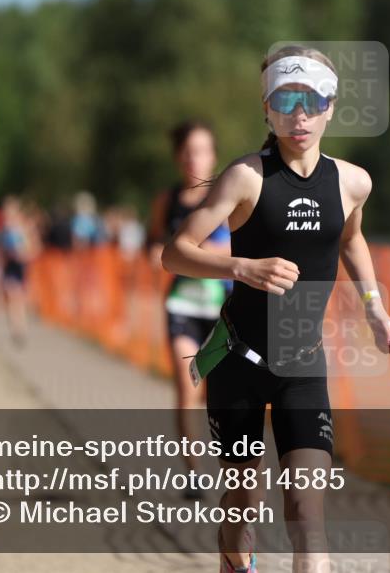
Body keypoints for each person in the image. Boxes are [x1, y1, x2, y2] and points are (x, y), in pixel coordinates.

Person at [163, 45, 390, 573]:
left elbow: (352, 241)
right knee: (244, 508)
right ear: (267, 107)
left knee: (306, 511)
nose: (300, 113)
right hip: (239, 364)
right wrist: (242, 268)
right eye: (286, 99)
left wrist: (374, 307)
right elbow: (175, 252)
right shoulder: (246, 177)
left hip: (303, 364)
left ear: (331, 107)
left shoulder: (352, 182)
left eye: (312, 101)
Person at [147, 121, 232, 500]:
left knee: (220, 395)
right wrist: (154, 254)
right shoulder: (166, 201)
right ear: (178, 157)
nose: (194, 158)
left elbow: (239, 250)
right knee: (187, 388)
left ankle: (230, 467)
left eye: (202, 150)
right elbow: (153, 243)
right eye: (188, 151)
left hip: (222, 311)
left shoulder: (227, 198)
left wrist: (193, 256)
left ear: (214, 155)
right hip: (182, 305)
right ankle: (194, 474)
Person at [0, 196, 40, 347]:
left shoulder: (23, 227)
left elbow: (33, 248)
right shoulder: (6, 228)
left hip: (20, 267)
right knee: (11, 298)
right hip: (10, 266)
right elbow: (2, 249)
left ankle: (20, 328)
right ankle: (16, 327)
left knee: (18, 298)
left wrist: (24, 254)